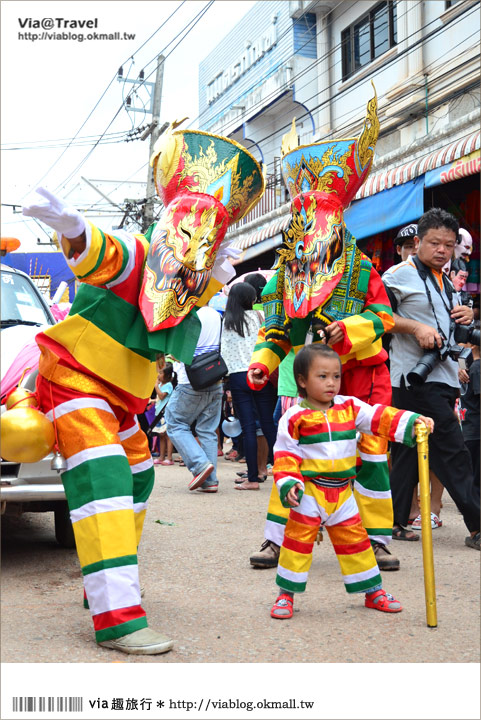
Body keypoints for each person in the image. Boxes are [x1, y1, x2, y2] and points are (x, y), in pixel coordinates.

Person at [19, 125, 265, 654]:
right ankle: (118, 617)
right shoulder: (140, 251)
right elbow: (104, 256)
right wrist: (75, 228)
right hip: (76, 380)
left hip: (124, 397)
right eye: (193, 232)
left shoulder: (191, 279)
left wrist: (215, 278)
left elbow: (178, 303)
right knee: (105, 477)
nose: (200, 246)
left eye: (211, 240)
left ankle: (105, 584)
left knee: (139, 477)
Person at [249, 91, 401, 572]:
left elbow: (384, 318)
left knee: (371, 456)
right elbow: (276, 327)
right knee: (291, 453)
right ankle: (280, 538)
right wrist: (264, 361)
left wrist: (349, 330)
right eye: (302, 220)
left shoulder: (360, 268)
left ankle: (374, 539)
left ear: (336, 222)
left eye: (318, 220)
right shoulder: (283, 274)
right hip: (307, 379)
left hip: (361, 374)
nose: (310, 228)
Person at [270, 344, 434, 620]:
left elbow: (378, 417)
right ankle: (285, 595)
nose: (331, 383)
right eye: (322, 376)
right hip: (310, 493)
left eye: (336, 376)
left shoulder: (350, 407)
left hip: (343, 493)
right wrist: (288, 483)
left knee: (356, 543)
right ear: (301, 380)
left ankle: (373, 591)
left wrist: (414, 421)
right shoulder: (293, 417)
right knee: (296, 544)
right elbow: (285, 454)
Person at [383, 207, 480, 550]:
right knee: (453, 451)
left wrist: (468, 313)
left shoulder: (445, 280)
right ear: (419, 242)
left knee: (408, 452)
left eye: (449, 244)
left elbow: (453, 326)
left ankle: (392, 523)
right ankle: (477, 525)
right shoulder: (396, 276)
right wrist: (415, 327)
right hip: (415, 379)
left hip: (442, 376)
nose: (442, 249)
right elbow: (377, 317)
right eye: (435, 242)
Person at [221, 283, 278, 490]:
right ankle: (284, 472)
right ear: (250, 299)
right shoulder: (259, 317)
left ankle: (252, 479)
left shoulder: (227, 320)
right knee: (268, 424)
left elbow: (224, 353)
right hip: (260, 371)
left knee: (248, 429)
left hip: (237, 377)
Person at [165, 305, 224, 493]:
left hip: (190, 380)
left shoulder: (187, 313)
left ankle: (200, 465)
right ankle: (210, 481)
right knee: (207, 430)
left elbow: (177, 351)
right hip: (215, 377)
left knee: (175, 422)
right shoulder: (215, 314)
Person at [459, 333, 480, 495]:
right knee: (473, 470)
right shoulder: (472, 368)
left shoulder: (473, 368)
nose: (459, 345)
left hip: (472, 429)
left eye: (463, 343)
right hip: (472, 428)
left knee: (472, 470)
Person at [152, 362, 175, 466]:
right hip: (159, 414)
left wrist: (156, 386)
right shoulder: (161, 384)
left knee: (167, 435)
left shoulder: (168, 385)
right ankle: (161, 457)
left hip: (166, 414)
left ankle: (169, 457)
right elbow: (158, 399)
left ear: (167, 375)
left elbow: (161, 396)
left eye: (161, 373)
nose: (158, 375)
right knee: (161, 434)